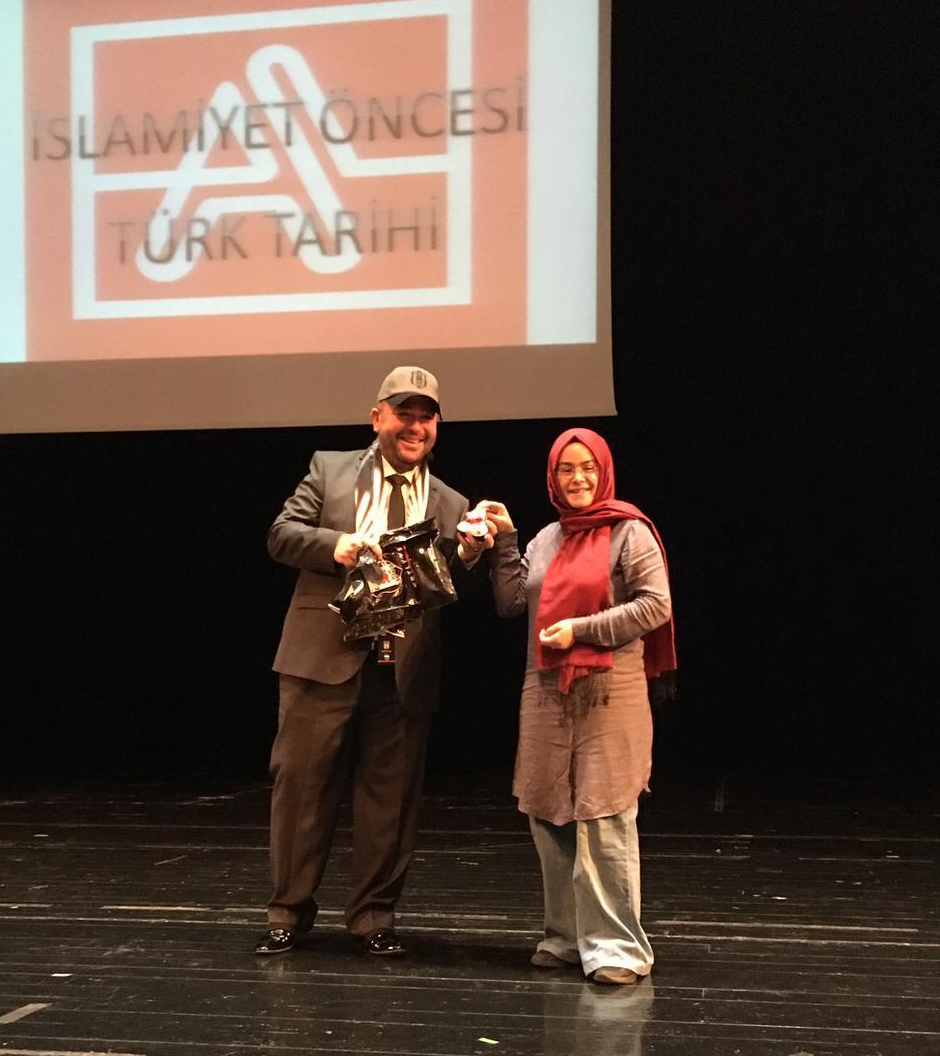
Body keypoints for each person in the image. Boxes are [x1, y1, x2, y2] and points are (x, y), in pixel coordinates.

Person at [256, 366, 491, 958]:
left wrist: (468, 555)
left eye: (426, 416)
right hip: (323, 655)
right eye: (404, 413)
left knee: (391, 799)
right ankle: (287, 912)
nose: (415, 426)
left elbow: (448, 585)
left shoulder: (451, 502)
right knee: (301, 789)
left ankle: (373, 917)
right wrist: (333, 545)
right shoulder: (330, 469)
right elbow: (281, 534)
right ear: (377, 417)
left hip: (401, 667)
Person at [486, 429, 675, 985]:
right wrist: (504, 541)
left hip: (611, 691)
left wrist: (582, 631)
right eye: (566, 469)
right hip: (546, 690)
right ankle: (567, 937)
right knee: (550, 814)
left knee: (604, 814)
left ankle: (617, 949)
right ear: (553, 477)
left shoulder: (629, 532)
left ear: (604, 471)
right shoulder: (547, 538)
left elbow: (656, 606)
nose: (578, 479)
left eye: (588, 467)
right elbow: (511, 602)